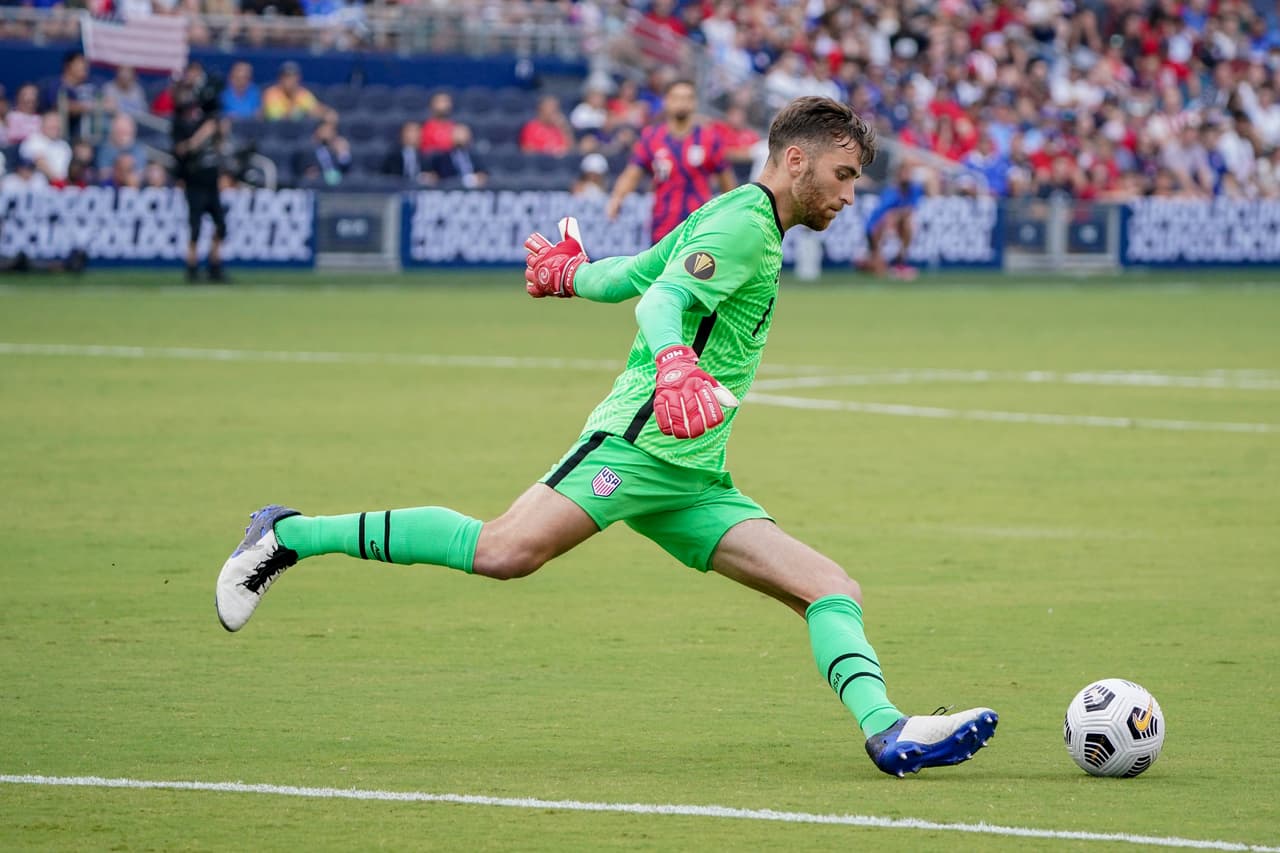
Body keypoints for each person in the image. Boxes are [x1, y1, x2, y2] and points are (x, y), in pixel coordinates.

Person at [214, 96, 999, 779]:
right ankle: (287, 533)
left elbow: (635, 274)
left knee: (831, 589)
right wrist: (673, 362)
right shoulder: (744, 228)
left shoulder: (737, 217)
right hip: (636, 446)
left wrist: (571, 274)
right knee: (503, 551)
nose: (850, 194)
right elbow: (658, 304)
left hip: (691, 474)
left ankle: (888, 732)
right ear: (797, 161)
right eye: (844, 175)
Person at [605, 79, 736, 243]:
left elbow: (726, 180)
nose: (681, 103)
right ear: (666, 101)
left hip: (699, 226)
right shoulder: (651, 137)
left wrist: (733, 211)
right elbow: (632, 173)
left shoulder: (709, 138)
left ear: (694, 102)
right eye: (676, 98)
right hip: (663, 225)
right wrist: (617, 198)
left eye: (687, 98)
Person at [171, 74, 228, 283]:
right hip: (194, 182)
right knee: (195, 227)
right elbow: (182, 150)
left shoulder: (208, 120)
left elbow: (220, 147)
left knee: (221, 226)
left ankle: (215, 265)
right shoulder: (181, 123)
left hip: (211, 181)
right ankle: (192, 267)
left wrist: (219, 131)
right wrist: (203, 134)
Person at [858, 161, 927, 280]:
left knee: (908, 223)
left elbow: (910, 210)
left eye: (909, 172)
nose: (907, 175)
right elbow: (881, 218)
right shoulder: (891, 192)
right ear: (898, 174)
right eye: (905, 172)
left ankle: (900, 260)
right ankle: (870, 261)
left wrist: (896, 216)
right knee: (879, 271)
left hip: (896, 223)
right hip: (875, 227)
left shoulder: (915, 189)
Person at [424, 123, 487, 188]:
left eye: (463, 133)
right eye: (457, 133)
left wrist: (475, 179)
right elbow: (434, 176)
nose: (460, 136)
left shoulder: (475, 156)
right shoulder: (442, 158)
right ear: (451, 136)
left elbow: (483, 174)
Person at [262, 61, 328, 122]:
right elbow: (276, 117)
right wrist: (301, 112)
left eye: (293, 77)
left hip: (300, 131)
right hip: (277, 131)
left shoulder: (302, 93)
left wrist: (326, 113)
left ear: (298, 78)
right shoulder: (271, 93)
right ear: (280, 78)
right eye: (286, 77)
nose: (290, 80)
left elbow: (316, 110)